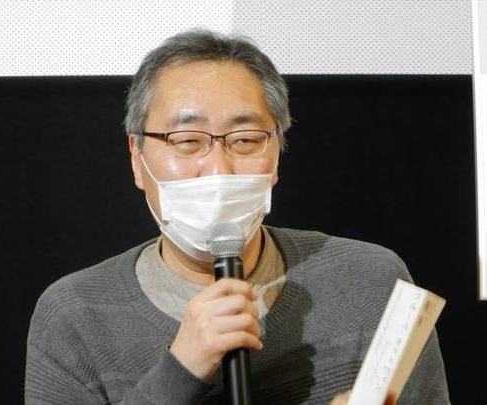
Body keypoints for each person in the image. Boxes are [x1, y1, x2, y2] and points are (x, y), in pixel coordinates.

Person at [25, 29, 450, 404]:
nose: (218, 168)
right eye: (187, 140)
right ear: (137, 157)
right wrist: (181, 370)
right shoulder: (74, 315)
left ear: (277, 153)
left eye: (245, 139)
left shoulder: (371, 281)